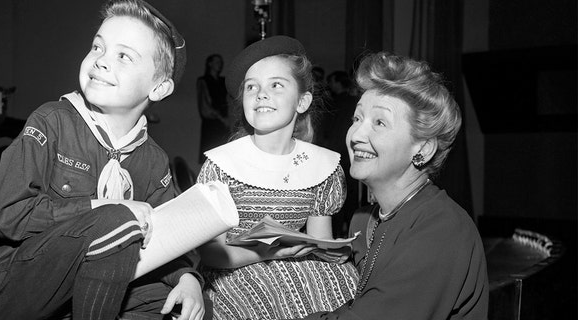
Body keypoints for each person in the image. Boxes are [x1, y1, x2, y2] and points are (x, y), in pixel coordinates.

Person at [0, 1, 207, 319]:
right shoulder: (51, 121)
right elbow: (7, 215)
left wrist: (188, 279)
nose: (101, 61)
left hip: (83, 286)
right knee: (118, 219)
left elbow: (165, 235)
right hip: (13, 281)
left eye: (124, 56)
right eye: (97, 47)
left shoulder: (153, 161)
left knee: (169, 298)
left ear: (159, 88)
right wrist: (102, 209)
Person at [293, 52, 488, 319]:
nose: (357, 135)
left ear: (423, 148)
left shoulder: (443, 229)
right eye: (357, 119)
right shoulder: (363, 221)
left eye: (380, 122)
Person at [196, 36, 359, 320]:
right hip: (232, 270)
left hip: (294, 266)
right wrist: (266, 254)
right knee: (256, 295)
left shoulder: (322, 166)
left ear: (302, 101)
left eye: (276, 85)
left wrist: (332, 252)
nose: (261, 93)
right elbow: (211, 253)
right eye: (251, 87)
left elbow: (320, 240)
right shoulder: (223, 165)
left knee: (342, 282)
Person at [318, 71, 360, 237]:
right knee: (350, 191)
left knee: (335, 192)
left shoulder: (334, 102)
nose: (330, 85)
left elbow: (327, 128)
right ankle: (351, 229)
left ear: (338, 82)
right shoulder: (353, 102)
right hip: (350, 150)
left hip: (334, 151)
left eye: (332, 82)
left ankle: (334, 232)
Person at [197, 54, 230, 164]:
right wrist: (221, 118)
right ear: (209, 64)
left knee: (224, 156)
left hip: (224, 124)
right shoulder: (203, 81)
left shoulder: (223, 81)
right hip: (212, 124)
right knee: (210, 155)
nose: (219, 64)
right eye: (216, 62)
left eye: (221, 62)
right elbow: (205, 106)